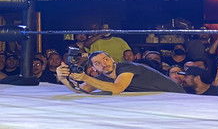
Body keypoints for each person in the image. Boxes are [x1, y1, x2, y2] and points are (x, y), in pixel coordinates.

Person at [56, 51, 184, 94]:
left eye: (105, 59)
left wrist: (85, 77)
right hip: (161, 100)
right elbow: (82, 89)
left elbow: (117, 88)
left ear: (112, 59)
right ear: (93, 68)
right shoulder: (104, 77)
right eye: (98, 63)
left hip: (178, 97)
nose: (104, 64)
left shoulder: (126, 67)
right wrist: (63, 78)